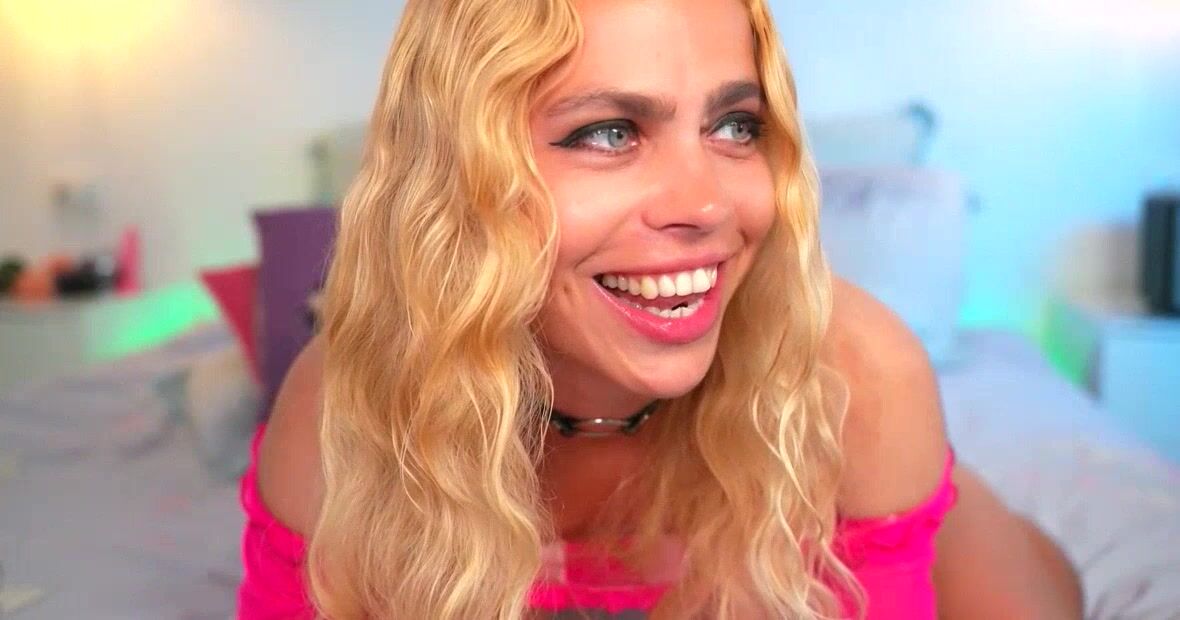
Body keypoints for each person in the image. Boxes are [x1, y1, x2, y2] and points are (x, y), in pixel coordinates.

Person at [239, 0, 1084, 617]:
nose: (706, 204)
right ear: (457, 180)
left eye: (736, 127)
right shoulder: (342, 406)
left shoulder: (859, 375)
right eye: (609, 132)